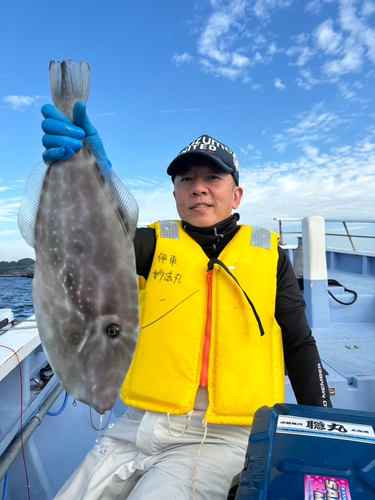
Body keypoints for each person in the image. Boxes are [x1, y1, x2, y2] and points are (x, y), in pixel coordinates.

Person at [40, 102, 332, 500]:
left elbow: (298, 342)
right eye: (185, 179)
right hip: (136, 424)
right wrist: (91, 175)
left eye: (213, 176)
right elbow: (92, 242)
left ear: (237, 193)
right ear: (175, 193)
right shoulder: (152, 243)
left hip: (220, 433)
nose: (198, 187)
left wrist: (326, 425)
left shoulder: (270, 257)